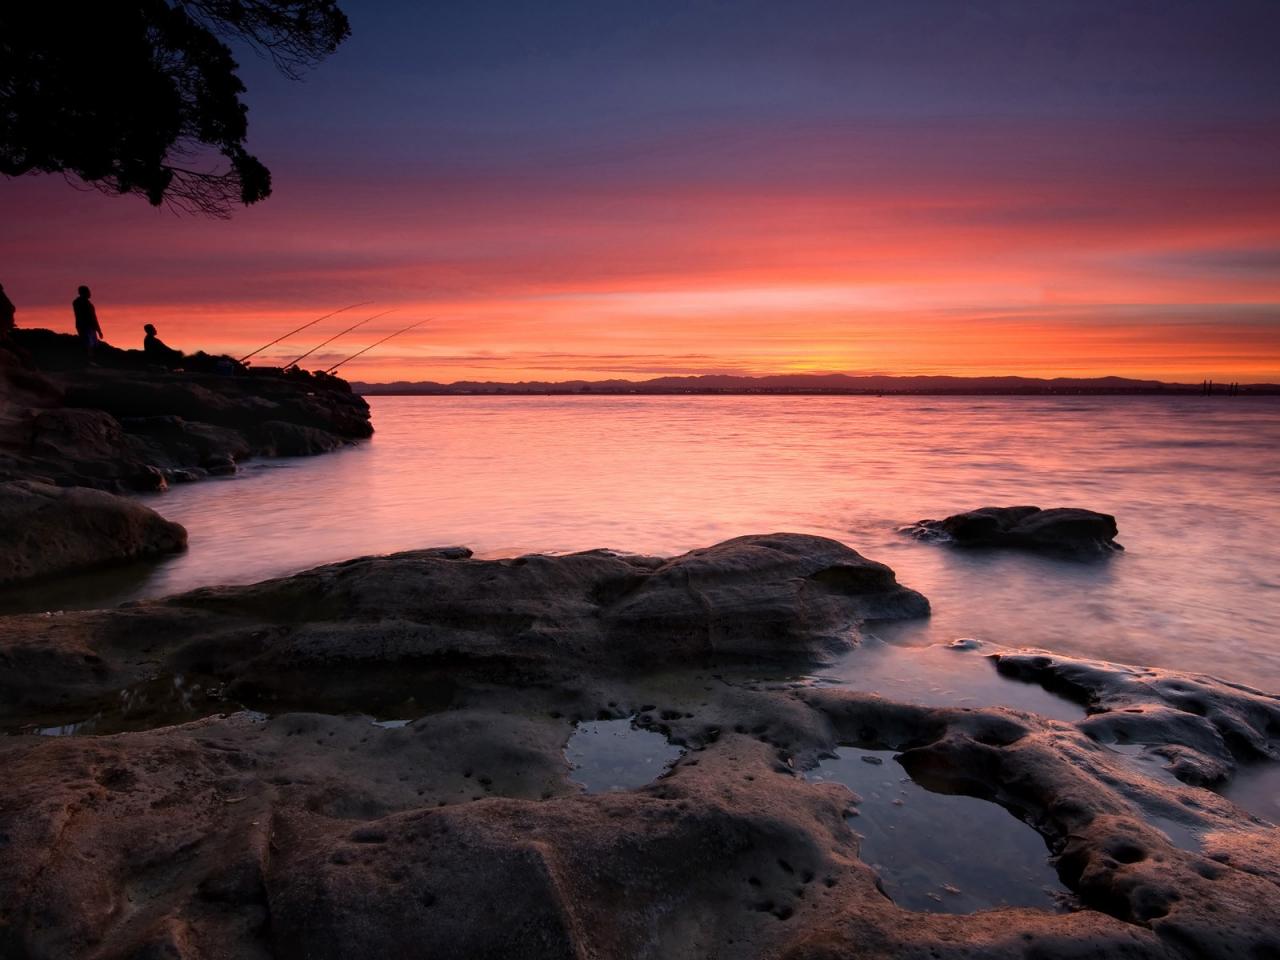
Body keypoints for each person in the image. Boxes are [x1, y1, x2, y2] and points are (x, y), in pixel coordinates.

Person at [73, 285, 104, 356]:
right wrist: (98, 330)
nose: (90, 293)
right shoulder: (79, 302)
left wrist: (99, 330)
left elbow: (94, 317)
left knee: (92, 344)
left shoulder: (88, 304)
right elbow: (91, 317)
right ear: (84, 292)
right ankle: (87, 360)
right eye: (88, 292)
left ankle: (90, 360)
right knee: (88, 344)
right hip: (85, 326)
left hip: (90, 326)